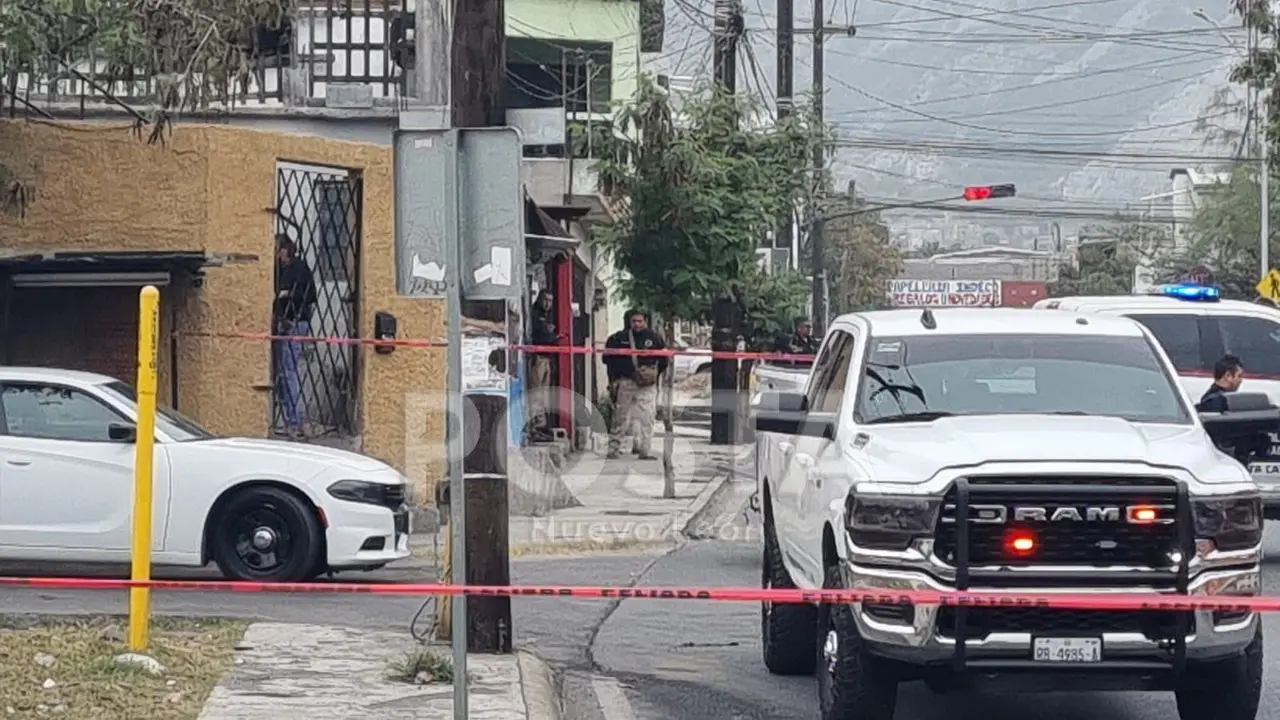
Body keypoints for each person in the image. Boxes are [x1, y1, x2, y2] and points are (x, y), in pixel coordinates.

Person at [604, 309, 668, 460]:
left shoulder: (654, 338)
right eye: (634, 321)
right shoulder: (618, 339)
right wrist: (616, 379)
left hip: (647, 385)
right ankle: (613, 449)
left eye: (640, 321)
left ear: (645, 321)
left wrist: (652, 374)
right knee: (621, 417)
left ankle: (645, 451)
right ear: (629, 322)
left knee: (647, 417)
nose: (637, 324)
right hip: (626, 382)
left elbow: (664, 360)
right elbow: (608, 359)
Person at [273, 235, 317, 438]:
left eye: (277, 250)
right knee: (284, 370)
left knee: (289, 370)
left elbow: (309, 295)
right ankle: (288, 417)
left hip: (295, 323)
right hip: (288, 323)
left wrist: (287, 294)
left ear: (284, 250)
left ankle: (294, 421)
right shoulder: (282, 269)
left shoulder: (297, 268)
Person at [526, 290, 559, 441]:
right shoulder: (534, 313)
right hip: (537, 358)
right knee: (536, 393)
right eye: (545, 299)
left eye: (550, 300)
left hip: (546, 358)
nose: (548, 303)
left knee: (544, 394)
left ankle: (540, 426)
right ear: (539, 299)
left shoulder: (545, 316)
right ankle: (535, 427)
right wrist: (551, 335)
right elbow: (541, 336)